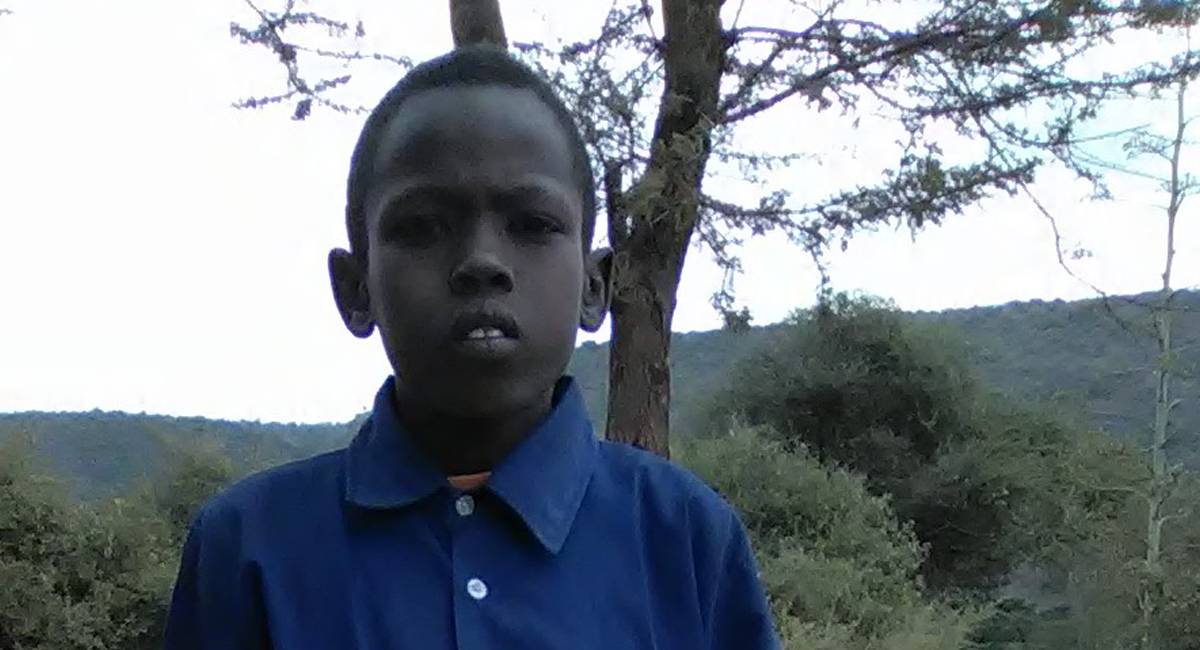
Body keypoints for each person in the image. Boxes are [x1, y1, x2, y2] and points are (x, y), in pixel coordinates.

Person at [163, 45, 780, 650]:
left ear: (595, 288)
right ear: (356, 290)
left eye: (533, 224)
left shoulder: (687, 539)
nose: (482, 261)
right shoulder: (250, 548)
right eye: (422, 227)